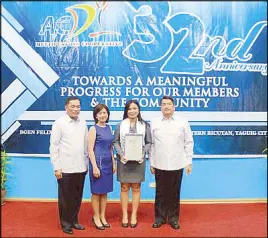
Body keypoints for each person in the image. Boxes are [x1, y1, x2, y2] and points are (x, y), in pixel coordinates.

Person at [149, 95, 194, 230]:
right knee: (160, 192)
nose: (166, 106)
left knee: (174, 192)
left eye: (169, 104)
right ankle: (160, 218)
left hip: (177, 163)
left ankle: (174, 219)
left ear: (174, 107)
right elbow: (151, 144)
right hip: (159, 163)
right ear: (160, 107)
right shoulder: (154, 122)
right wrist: (151, 162)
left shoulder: (182, 122)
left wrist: (189, 161)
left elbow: (189, 142)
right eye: (164, 104)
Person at [49, 96, 88, 235]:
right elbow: (53, 146)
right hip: (65, 168)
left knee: (77, 196)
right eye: (73, 106)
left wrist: (86, 164)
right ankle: (65, 223)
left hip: (81, 167)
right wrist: (56, 167)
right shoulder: (59, 123)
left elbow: (85, 145)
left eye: (78, 106)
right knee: (65, 198)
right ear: (66, 107)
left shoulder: (83, 123)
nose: (76, 109)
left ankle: (74, 220)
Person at [113, 100, 152, 228]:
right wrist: (120, 154)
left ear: (139, 110)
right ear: (126, 111)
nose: (132, 111)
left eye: (135, 108)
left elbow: (149, 143)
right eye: (129, 109)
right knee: (124, 188)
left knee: (136, 188)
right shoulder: (120, 125)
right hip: (123, 161)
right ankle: (125, 214)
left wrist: (142, 153)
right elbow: (116, 142)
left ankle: (134, 214)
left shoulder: (145, 125)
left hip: (139, 161)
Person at [88, 104, 116, 230]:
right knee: (96, 192)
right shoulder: (93, 129)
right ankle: (96, 216)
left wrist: (114, 162)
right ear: (96, 115)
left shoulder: (109, 127)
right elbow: (90, 149)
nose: (103, 115)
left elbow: (111, 147)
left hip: (108, 164)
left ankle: (103, 216)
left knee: (104, 192)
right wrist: (94, 167)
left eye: (105, 113)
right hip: (97, 164)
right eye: (100, 113)